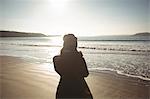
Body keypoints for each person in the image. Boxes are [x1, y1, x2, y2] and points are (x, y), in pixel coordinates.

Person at [53, 34, 93, 99]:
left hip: (63, 89)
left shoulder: (56, 59)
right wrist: (78, 57)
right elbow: (86, 74)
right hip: (79, 89)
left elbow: (61, 72)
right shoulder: (79, 58)